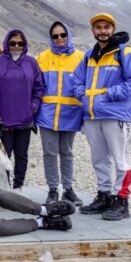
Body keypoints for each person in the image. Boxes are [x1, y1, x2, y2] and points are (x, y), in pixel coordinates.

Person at [71, 13, 131, 221]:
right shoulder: (89, 56)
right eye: (98, 27)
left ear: (112, 29)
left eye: (106, 27)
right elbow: (77, 80)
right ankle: (104, 196)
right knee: (99, 159)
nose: (102, 31)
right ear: (93, 31)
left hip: (115, 115)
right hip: (92, 115)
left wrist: (108, 95)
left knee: (121, 159)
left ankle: (122, 200)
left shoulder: (125, 53)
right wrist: (83, 96)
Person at [35, 21, 85, 206]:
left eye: (63, 35)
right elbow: (36, 86)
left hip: (71, 113)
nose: (60, 39)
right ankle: (53, 189)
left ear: (68, 35)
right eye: (55, 36)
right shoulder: (42, 57)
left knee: (67, 152)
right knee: (49, 153)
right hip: (47, 114)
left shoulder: (80, 58)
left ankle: (69, 189)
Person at [0, 29, 45, 190]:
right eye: (12, 43)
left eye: (20, 43)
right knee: (3, 155)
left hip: (25, 119)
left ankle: (18, 186)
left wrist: (34, 107)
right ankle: (4, 187)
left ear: (25, 44)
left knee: (22, 155)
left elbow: (39, 88)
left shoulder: (31, 63)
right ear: (7, 43)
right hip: (3, 120)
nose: (16, 46)